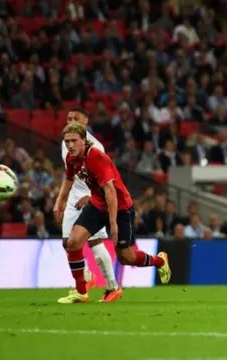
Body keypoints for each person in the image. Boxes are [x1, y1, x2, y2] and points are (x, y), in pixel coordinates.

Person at [54, 122, 172, 304]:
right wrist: (59, 202)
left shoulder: (95, 157)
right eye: (67, 141)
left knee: (126, 257)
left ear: (84, 141)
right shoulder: (72, 159)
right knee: (73, 242)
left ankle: (160, 261)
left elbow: (110, 190)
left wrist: (114, 224)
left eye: (74, 141)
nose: (70, 145)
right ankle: (81, 292)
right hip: (97, 205)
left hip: (121, 207)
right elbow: (69, 178)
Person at [59, 108, 121, 303]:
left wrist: (89, 196)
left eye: (75, 118)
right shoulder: (66, 142)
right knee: (67, 242)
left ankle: (112, 285)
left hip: (91, 196)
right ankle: (86, 277)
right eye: (68, 118)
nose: (70, 121)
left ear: (85, 121)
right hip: (73, 196)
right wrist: (60, 200)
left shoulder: (96, 147)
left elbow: (102, 179)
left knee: (94, 242)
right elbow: (70, 173)